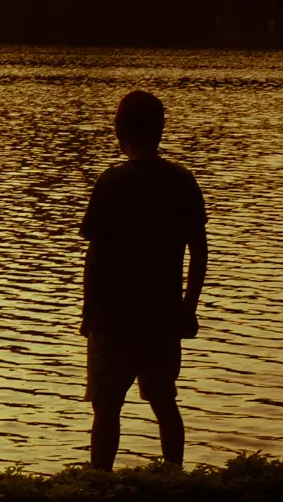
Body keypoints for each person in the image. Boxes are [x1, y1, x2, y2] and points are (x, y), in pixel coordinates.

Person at [80, 90, 207, 470]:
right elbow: (198, 252)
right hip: (163, 316)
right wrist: (188, 308)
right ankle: (176, 479)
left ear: (120, 131)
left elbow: (95, 255)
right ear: (160, 130)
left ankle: (98, 485)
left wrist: (90, 313)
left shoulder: (111, 183)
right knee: (164, 402)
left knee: (106, 408)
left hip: (113, 319)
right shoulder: (182, 181)